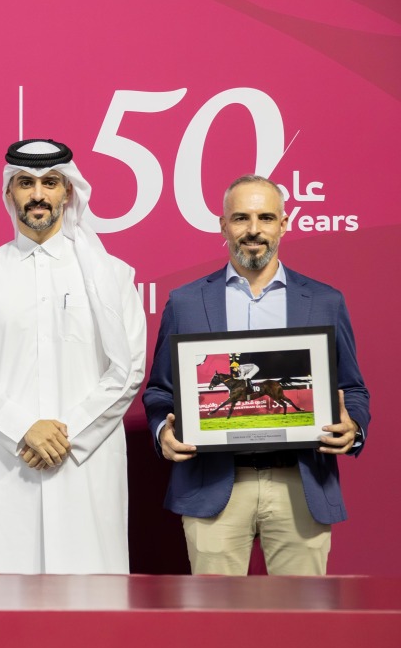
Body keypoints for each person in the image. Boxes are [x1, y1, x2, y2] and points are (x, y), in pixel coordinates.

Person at [143, 174, 369, 575]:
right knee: (213, 625)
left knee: (303, 624)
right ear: (223, 225)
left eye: (265, 217)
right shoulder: (186, 302)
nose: (253, 230)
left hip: (300, 483)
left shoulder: (324, 300)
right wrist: (164, 431)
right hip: (213, 486)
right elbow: (160, 390)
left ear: (284, 224)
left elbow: (352, 388)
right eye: (241, 218)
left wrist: (353, 427)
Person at [0, 139, 146, 574]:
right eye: (25, 183)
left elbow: (127, 370)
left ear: (68, 192)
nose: (38, 195)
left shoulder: (112, 274)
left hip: (83, 467)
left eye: (50, 183)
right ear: (8, 193)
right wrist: (22, 429)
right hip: (2, 465)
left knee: (90, 611)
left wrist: (63, 436)